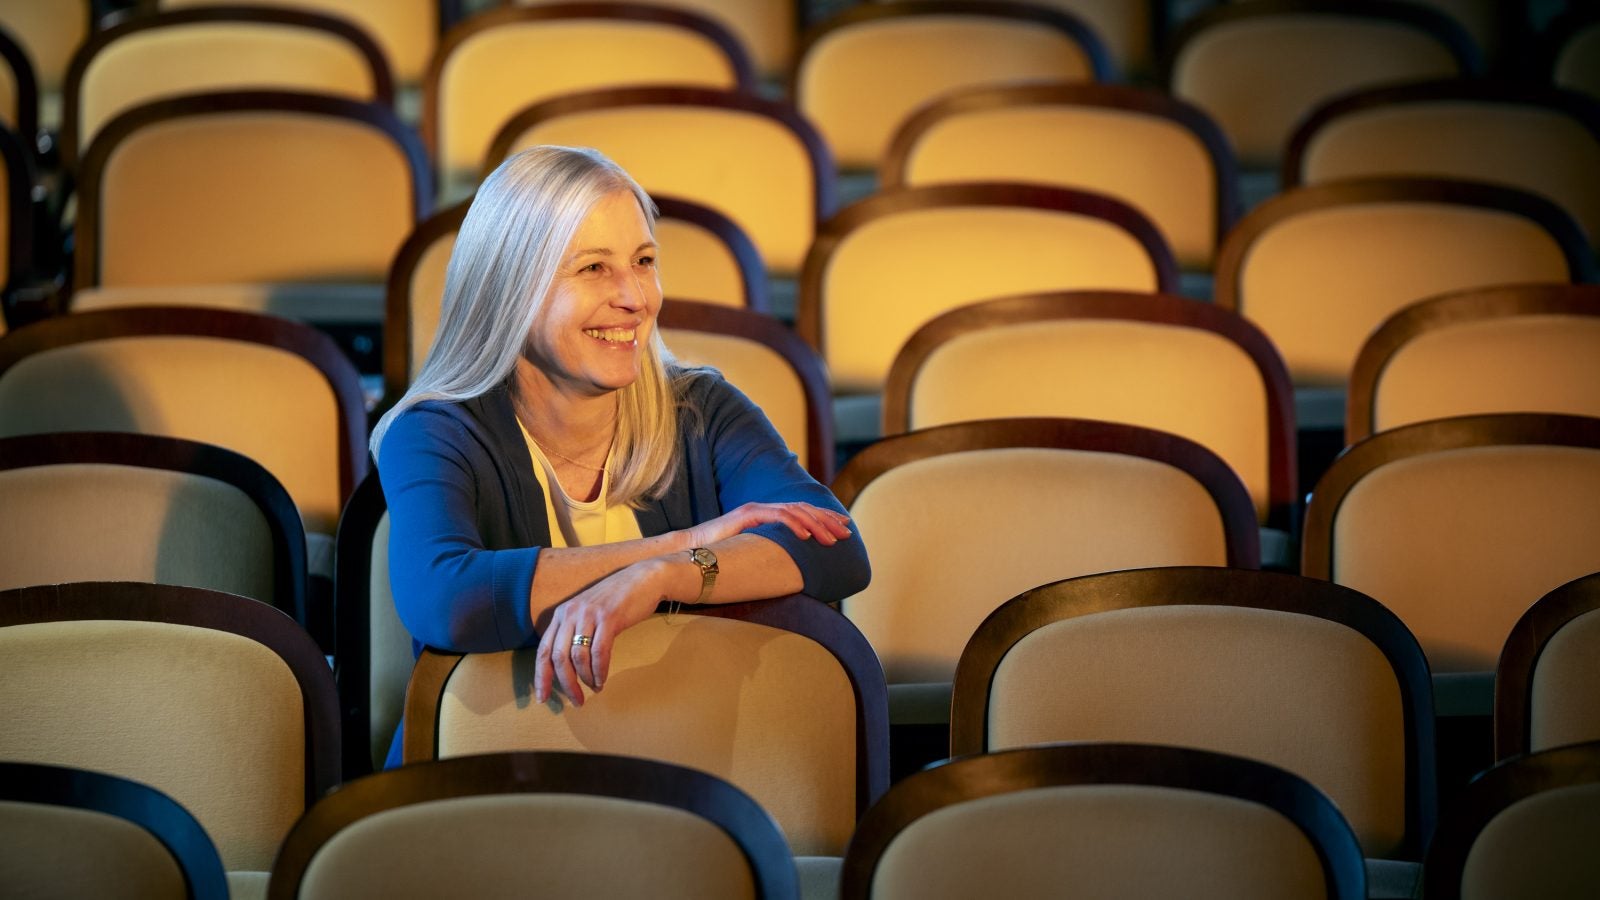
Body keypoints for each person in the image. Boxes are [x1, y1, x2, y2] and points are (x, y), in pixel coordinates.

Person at [371, 146, 870, 759]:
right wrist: (675, 544)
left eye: (643, 260)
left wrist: (664, 575)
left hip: (682, 763)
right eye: (593, 269)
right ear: (510, 288)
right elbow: (446, 597)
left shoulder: (703, 408)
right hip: (486, 781)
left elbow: (834, 546)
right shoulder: (434, 430)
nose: (635, 296)